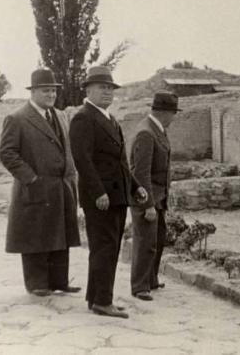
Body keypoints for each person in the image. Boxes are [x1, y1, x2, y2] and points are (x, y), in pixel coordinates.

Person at [69, 66, 147, 319]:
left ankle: (96, 297)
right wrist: (98, 192)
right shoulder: (83, 117)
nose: (107, 93)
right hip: (102, 198)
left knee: (108, 248)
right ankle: (103, 301)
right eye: (102, 88)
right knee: (104, 248)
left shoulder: (110, 119)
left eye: (110, 88)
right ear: (88, 90)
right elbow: (83, 159)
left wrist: (135, 187)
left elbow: (121, 162)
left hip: (117, 195)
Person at [0, 68, 81, 297]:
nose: (51, 95)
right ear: (33, 91)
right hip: (35, 188)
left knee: (59, 234)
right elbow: (7, 153)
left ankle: (59, 282)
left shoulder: (59, 116)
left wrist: (71, 178)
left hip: (60, 187)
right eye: (46, 91)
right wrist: (31, 178)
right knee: (36, 236)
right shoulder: (17, 118)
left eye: (53, 91)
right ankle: (37, 284)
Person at [129, 92, 181, 301]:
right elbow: (140, 173)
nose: (174, 118)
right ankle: (139, 286)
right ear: (164, 113)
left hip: (159, 196)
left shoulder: (157, 130)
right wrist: (148, 204)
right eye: (173, 113)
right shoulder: (146, 133)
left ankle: (151, 278)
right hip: (147, 198)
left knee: (157, 238)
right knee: (145, 241)